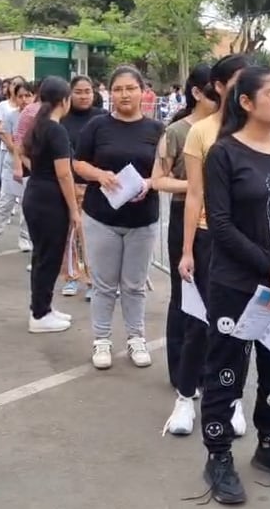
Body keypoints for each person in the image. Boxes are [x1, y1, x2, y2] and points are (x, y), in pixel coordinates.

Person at [196, 65, 270, 505]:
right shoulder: (224, 154)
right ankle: (219, 454)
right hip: (234, 284)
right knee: (226, 372)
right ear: (246, 102)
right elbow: (220, 225)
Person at [73, 66, 164, 370]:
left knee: (134, 285)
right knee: (103, 284)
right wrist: (100, 175)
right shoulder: (97, 127)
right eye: (118, 89)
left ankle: (136, 337)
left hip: (143, 218)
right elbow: (78, 163)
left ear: (142, 91)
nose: (124, 94)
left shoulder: (156, 130)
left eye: (130, 88)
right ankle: (102, 340)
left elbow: (165, 172)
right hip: (102, 217)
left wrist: (150, 183)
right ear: (109, 93)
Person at [182, 53, 252, 437]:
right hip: (210, 237)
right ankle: (184, 395)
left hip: (249, 245)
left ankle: (233, 397)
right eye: (240, 79)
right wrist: (188, 249)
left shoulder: (262, 131)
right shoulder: (201, 131)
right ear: (221, 86)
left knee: (240, 328)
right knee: (199, 322)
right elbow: (195, 194)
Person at [150, 63, 218, 436]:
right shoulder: (176, 132)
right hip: (186, 220)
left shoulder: (230, 129)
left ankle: (211, 371)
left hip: (219, 224)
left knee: (214, 301)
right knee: (184, 297)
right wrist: (195, 187)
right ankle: (182, 375)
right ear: (197, 92)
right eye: (213, 91)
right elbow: (158, 179)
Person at [21, 76, 81, 333]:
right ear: (65, 101)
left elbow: (23, 153)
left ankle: (43, 306)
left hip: (35, 194)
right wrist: (74, 209)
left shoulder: (39, 125)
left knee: (42, 256)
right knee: (49, 257)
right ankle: (40, 314)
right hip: (49, 200)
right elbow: (64, 173)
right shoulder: (56, 129)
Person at [59, 75, 106, 299]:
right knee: (68, 234)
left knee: (92, 236)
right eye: (78, 91)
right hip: (68, 183)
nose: (84, 95)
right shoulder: (62, 118)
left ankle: (92, 281)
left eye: (88, 91)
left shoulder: (102, 117)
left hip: (95, 185)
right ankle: (70, 278)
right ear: (70, 93)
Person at [0, 81, 34, 256]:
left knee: (28, 205)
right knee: (5, 203)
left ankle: (25, 237)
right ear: (14, 98)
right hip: (12, 164)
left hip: (32, 168)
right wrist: (20, 155)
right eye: (20, 96)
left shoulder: (40, 117)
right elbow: (11, 143)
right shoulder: (10, 116)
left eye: (27, 95)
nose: (24, 100)